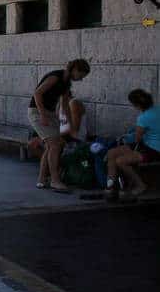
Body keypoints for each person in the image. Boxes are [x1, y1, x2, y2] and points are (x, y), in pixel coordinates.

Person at [28, 59, 91, 192]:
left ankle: (41, 179)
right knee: (54, 145)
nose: (81, 79)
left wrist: (69, 125)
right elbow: (37, 93)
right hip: (38, 112)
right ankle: (55, 181)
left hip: (49, 113)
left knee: (53, 145)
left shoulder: (66, 84)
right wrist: (43, 114)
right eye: (81, 75)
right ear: (75, 69)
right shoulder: (55, 77)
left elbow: (64, 105)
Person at [105, 89, 160, 200]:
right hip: (147, 146)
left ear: (136, 105)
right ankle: (111, 185)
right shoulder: (157, 109)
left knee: (120, 161)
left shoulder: (143, 118)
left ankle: (140, 185)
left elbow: (137, 139)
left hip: (153, 150)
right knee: (112, 152)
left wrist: (126, 136)